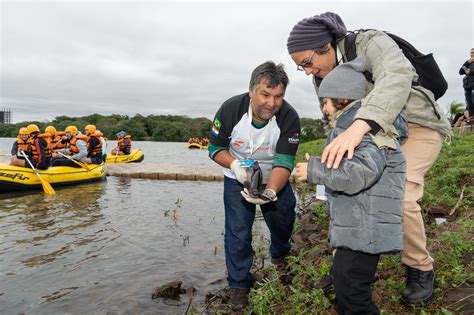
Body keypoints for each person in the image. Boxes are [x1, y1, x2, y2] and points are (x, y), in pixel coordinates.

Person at [286, 12, 453, 306]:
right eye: (301, 67)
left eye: (308, 62)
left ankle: (420, 267)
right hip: (368, 135)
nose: (308, 71)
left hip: (416, 125)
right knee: (346, 193)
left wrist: (359, 126)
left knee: (400, 196)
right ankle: (348, 270)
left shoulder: (370, 41)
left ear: (325, 46)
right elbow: (333, 120)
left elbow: (396, 76)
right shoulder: (322, 73)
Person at [295, 58, 406, 313]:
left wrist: (314, 170)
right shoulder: (347, 131)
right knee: (344, 285)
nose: (323, 108)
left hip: (365, 231)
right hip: (356, 230)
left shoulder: (366, 133)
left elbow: (361, 174)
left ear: (342, 100)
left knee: (353, 294)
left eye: (325, 101)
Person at [208, 61, 301, 309]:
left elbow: (284, 161)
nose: (271, 103)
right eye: (265, 94)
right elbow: (215, 149)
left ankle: (280, 252)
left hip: (275, 175)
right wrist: (235, 166)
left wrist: (270, 191)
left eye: (278, 96)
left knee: (283, 219)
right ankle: (239, 283)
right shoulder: (230, 109)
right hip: (237, 175)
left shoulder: (289, 117)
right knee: (238, 232)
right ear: (251, 91)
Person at [459, 48, 474, 118]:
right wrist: (467, 62)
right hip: (467, 86)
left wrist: (470, 72)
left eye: (473, 53)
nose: (472, 54)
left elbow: (469, 72)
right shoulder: (468, 62)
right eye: (471, 53)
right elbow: (460, 72)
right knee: (469, 104)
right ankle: (471, 119)